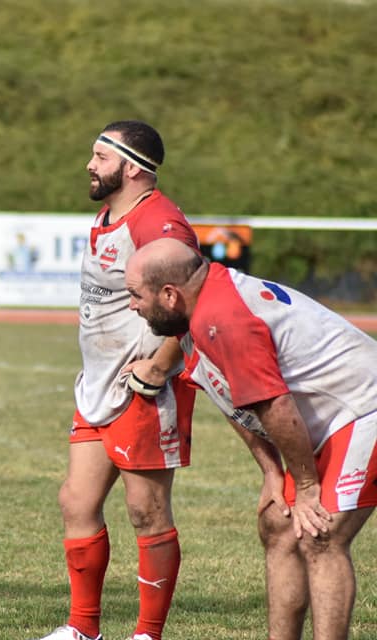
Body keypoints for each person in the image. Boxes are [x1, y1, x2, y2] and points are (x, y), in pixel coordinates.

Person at [126, 238, 377, 640]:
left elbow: (273, 404)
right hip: (327, 422)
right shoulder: (193, 314)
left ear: (170, 294)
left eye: (136, 294)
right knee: (278, 525)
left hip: (364, 408)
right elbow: (234, 398)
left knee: (321, 536)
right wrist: (271, 470)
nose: (131, 305)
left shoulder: (222, 318)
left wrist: (307, 486)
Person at [43, 121, 199, 640]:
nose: (90, 165)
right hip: (98, 385)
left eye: (100, 157)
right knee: (76, 502)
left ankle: (148, 634)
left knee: (145, 510)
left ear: (131, 167)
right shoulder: (110, 214)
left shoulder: (159, 222)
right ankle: (83, 628)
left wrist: (157, 367)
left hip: (144, 390)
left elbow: (194, 298)